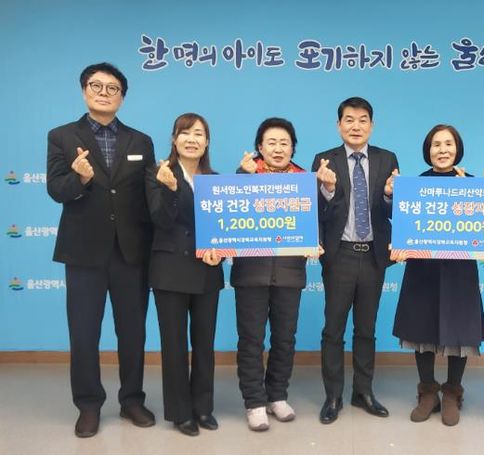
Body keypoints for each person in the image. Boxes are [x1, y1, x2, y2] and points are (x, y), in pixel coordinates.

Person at [46, 62, 156, 437]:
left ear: (122, 97)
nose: (104, 93)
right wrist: (79, 178)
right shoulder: (62, 136)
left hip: (131, 252)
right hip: (83, 253)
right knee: (83, 333)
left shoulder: (140, 141)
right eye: (97, 86)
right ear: (84, 91)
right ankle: (89, 405)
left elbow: (148, 196)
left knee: (133, 333)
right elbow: (56, 189)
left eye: (112, 88)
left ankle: (132, 400)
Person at [392, 124, 484, 426]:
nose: (442, 150)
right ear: (428, 150)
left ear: (457, 149)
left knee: (460, 329)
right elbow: (402, 223)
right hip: (423, 268)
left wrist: (467, 195)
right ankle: (428, 391)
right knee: (422, 327)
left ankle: (452, 392)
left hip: (460, 270)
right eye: (436, 144)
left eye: (448, 144)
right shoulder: (415, 185)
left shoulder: (471, 184)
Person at [312, 96, 399, 424]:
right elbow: (315, 211)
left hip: (373, 256)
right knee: (333, 329)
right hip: (340, 256)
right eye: (349, 120)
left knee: (366, 328)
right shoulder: (324, 160)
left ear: (371, 126)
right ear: (339, 126)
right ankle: (333, 395)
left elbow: (394, 211)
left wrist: (389, 194)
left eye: (363, 120)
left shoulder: (387, 158)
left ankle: (363, 392)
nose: (356, 126)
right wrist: (327, 189)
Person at [146, 113, 224, 436]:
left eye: (199, 134)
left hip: (207, 271)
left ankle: (203, 407)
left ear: (207, 142)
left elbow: (224, 228)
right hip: (170, 271)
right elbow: (160, 220)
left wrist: (221, 251)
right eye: (185, 133)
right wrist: (170, 189)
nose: (192, 139)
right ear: (174, 139)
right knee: (175, 345)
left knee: (205, 343)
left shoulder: (214, 179)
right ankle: (181, 413)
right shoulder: (158, 172)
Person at [231, 118, 308, 431]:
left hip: (289, 273)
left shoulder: (304, 181)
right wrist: (242, 178)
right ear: (260, 148)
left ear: (292, 148)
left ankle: (277, 395)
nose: (278, 148)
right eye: (271, 143)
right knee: (251, 339)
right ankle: (254, 401)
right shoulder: (245, 175)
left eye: (284, 143)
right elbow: (228, 216)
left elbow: (320, 221)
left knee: (284, 339)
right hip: (251, 273)